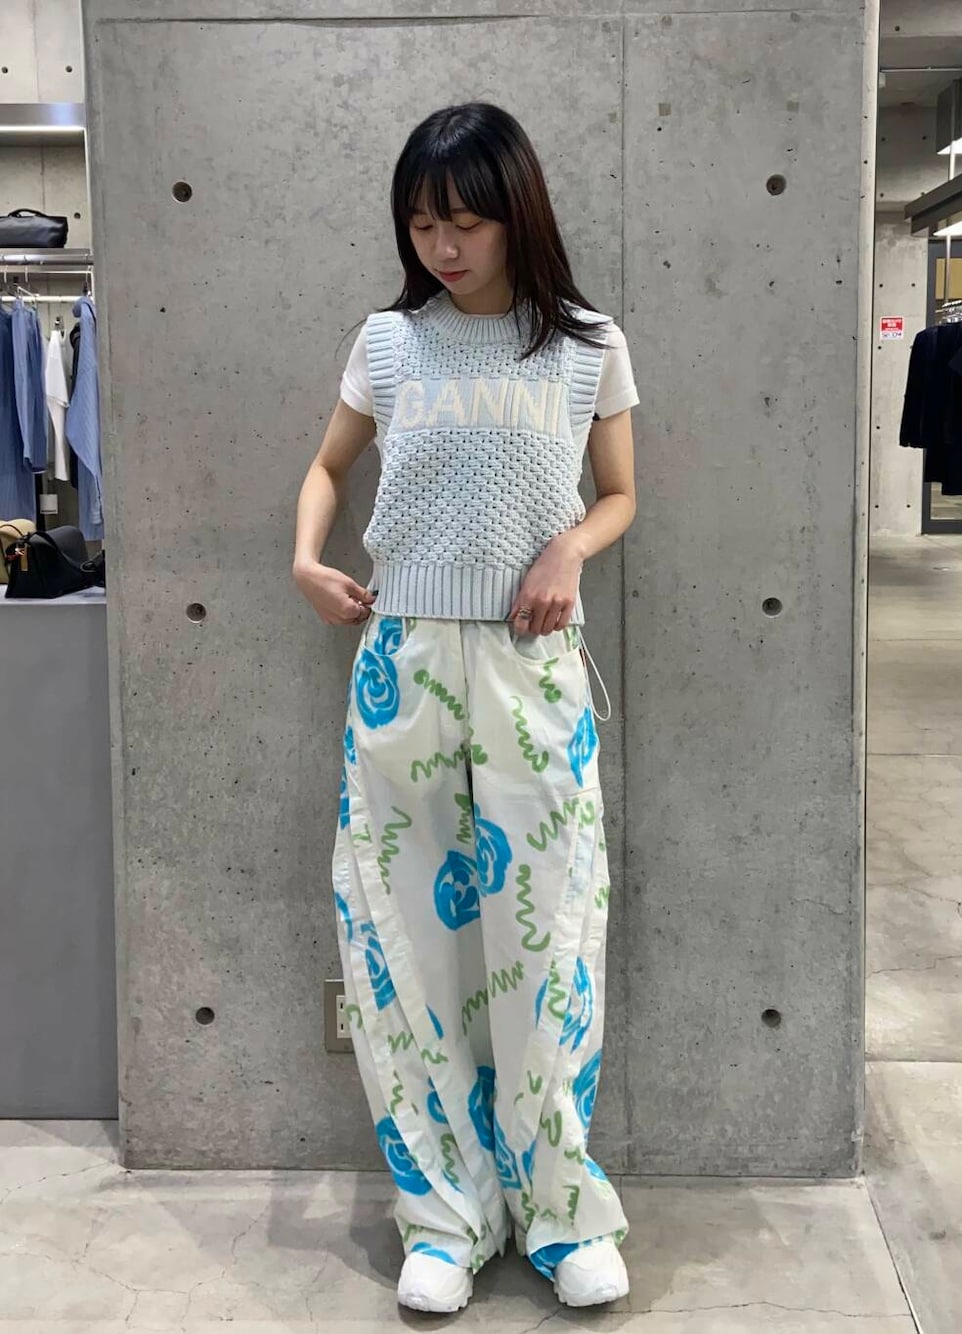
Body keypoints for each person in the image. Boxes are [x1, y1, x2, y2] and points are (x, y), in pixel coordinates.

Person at [293, 101, 639, 1314]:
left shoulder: (586, 343)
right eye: (422, 221)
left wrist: (568, 550)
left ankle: (558, 1209)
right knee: (401, 943)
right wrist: (306, 557)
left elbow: (619, 492)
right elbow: (330, 464)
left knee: (549, 935)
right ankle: (442, 1215)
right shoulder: (389, 343)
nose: (443, 245)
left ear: (515, 213)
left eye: (466, 221)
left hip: (532, 661)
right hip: (402, 662)